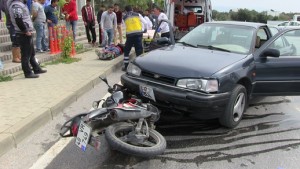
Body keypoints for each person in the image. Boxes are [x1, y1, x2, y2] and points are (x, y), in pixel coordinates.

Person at [8, 0, 47, 78]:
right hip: (23, 33)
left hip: (26, 32)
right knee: (26, 54)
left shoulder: (21, 4)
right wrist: (25, 30)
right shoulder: (16, 6)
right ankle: (27, 72)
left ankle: (36, 68)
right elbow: (18, 19)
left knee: (31, 52)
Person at [122, 5, 147, 71]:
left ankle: (126, 66)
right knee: (139, 51)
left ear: (125, 11)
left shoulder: (124, 17)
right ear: (132, 9)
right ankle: (139, 67)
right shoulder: (138, 14)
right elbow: (145, 23)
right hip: (138, 35)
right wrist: (144, 30)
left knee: (126, 51)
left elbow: (124, 27)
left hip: (129, 36)